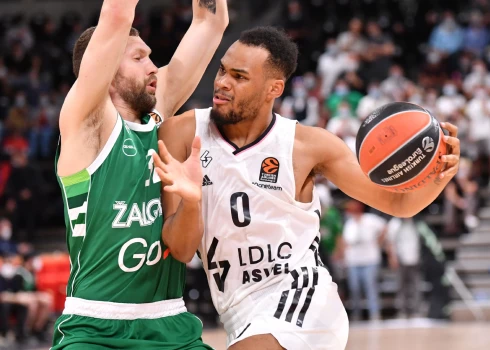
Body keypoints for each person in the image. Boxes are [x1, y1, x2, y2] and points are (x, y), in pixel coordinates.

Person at [153, 26, 460, 350]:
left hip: (302, 299)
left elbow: (399, 205)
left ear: (274, 88)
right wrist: (190, 201)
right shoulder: (183, 134)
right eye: (222, 70)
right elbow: (182, 250)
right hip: (237, 311)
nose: (222, 83)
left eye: (239, 77)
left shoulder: (309, 146)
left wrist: (441, 175)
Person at [52, 0, 228, 349]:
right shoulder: (87, 124)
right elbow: (117, 13)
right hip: (95, 328)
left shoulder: (153, 117)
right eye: (138, 58)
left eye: (150, 56)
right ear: (105, 70)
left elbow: (211, 21)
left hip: (169, 322)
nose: (153, 66)